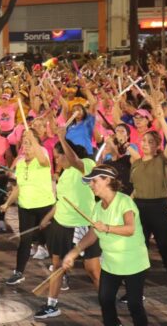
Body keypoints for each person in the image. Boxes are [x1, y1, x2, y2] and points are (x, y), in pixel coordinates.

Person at [128, 94, 167, 311]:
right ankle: (134, 292)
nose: (146, 144)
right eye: (143, 141)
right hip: (139, 210)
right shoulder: (136, 163)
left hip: (159, 208)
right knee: (137, 253)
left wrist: (161, 118)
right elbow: (136, 190)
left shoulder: (162, 160)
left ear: (157, 145)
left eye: (150, 142)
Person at [62, 165, 149, 326]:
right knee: (105, 299)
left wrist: (107, 228)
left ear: (107, 180)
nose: (91, 185)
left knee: (134, 304)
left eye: (94, 181)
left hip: (133, 262)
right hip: (111, 263)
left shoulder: (124, 201)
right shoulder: (97, 207)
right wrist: (74, 253)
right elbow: (92, 234)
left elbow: (130, 229)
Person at [34, 127, 101, 319]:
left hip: (82, 225)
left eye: (58, 156)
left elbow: (75, 161)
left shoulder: (86, 165)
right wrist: (48, 217)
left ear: (66, 152)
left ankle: (107, 303)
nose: (56, 160)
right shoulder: (64, 175)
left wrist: (62, 139)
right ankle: (51, 305)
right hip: (61, 225)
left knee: (92, 269)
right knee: (57, 267)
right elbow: (62, 201)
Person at [1, 129, 55, 285]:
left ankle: (61, 274)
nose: (26, 146)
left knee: (51, 241)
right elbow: (19, 187)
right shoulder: (20, 163)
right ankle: (19, 272)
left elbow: (43, 160)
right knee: (25, 241)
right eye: (24, 143)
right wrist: (7, 203)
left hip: (45, 207)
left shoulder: (43, 159)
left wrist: (34, 140)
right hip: (25, 208)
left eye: (29, 143)